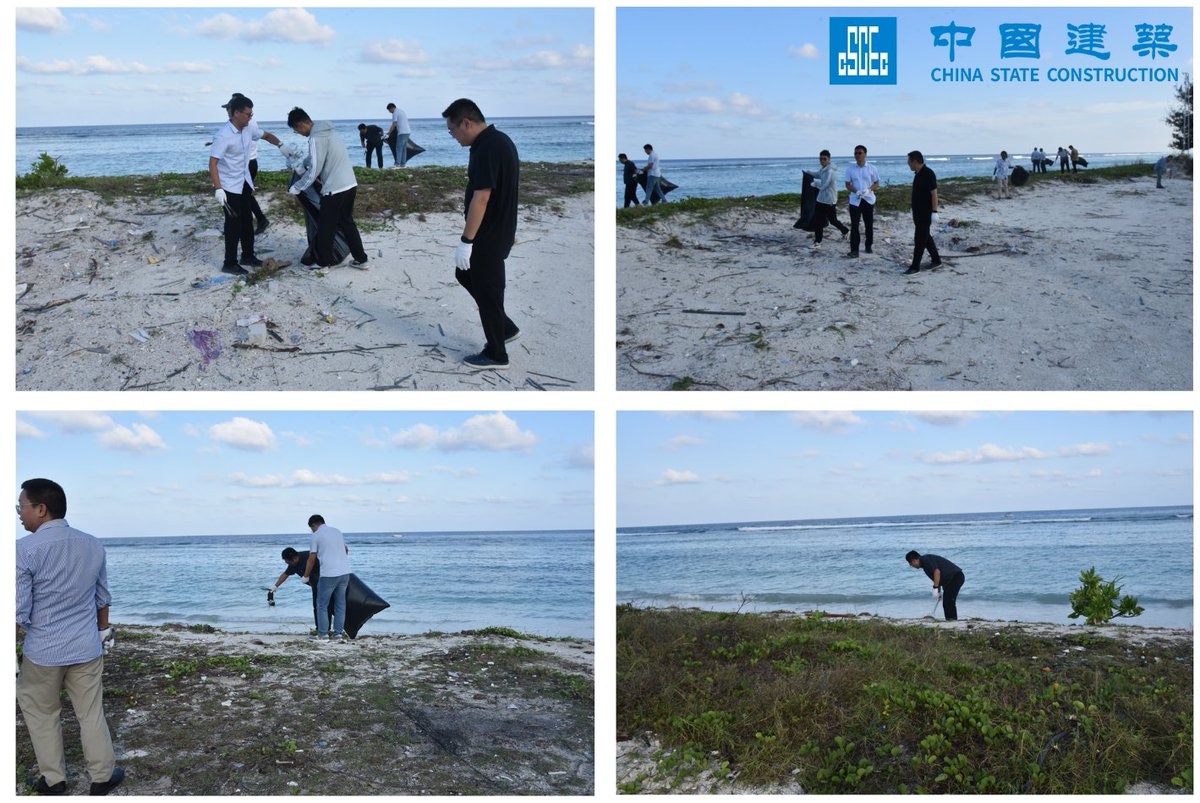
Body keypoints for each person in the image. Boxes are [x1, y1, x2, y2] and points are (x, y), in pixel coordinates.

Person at [16, 478, 125, 796]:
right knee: (91, 712)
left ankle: (54, 780)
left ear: (41, 509)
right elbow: (102, 598)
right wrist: (104, 632)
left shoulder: (23, 550)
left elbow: (17, 611)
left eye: (20, 507)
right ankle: (102, 777)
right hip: (86, 647)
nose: (18, 514)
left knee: (41, 713)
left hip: (43, 652)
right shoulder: (93, 544)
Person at [444, 97, 521, 370]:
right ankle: (505, 327)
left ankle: (496, 353)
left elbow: (482, 198)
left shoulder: (487, 147)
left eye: (452, 130)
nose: (452, 136)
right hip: (499, 229)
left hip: (488, 234)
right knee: (464, 273)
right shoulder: (498, 140)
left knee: (489, 293)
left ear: (466, 122)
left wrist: (467, 241)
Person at [209, 95, 290, 275]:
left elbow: (266, 135)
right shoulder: (223, 136)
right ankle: (229, 263)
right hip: (229, 186)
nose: (250, 117)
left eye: (251, 114)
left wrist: (281, 146)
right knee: (233, 224)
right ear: (236, 113)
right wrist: (218, 188)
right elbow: (213, 163)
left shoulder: (248, 128)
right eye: (247, 114)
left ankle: (247, 256)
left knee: (247, 221)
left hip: (244, 181)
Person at [286, 107, 369, 269]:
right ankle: (361, 260)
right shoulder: (329, 132)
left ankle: (323, 263)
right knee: (347, 222)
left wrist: (297, 187)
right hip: (350, 184)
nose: (299, 133)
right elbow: (315, 157)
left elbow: (315, 170)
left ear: (300, 124)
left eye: (296, 130)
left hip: (334, 188)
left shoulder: (316, 138)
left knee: (326, 226)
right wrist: (303, 164)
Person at [222, 94, 269, 234]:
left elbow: (260, 136)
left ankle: (257, 220)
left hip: (248, 163)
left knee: (244, 195)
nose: (227, 111)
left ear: (237, 110)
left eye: (229, 108)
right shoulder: (234, 125)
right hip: (245, 163)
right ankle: (248, 221)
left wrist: (280, 144)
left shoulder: (248, 123)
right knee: (244, 195)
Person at [301, 515, 351, 640]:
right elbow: (345, 549)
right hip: (345, 573)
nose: (312, 531)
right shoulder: (337, 531)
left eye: (311, 528)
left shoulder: (316, 536)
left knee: (322, 605)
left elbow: (311, 559)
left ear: (313, 525)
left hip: (328, 574)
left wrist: (306, 576)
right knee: (340, 604)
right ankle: (338, 634)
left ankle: (323, 635)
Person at [904, 150, 942, 276]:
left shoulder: (928, 173)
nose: (908, 164)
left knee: (920, 239)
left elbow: (934, 193)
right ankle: (936, 260)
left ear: (915, 161)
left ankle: (915, 267)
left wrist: (934, 211)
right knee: (926, 237)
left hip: (925, 213)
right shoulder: (918, 174)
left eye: (909, 161)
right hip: (917, 212)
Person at [272, 547, 322, 631]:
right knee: (316, 607)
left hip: (324, 582)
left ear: (294, 558)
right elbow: (285, 574)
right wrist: (275, 586)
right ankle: (320, 629)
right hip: (315, 586)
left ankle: (324, 629)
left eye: (287, 561)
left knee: (322, 606)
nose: (286, 563)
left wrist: (306, 576)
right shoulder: (293, 564)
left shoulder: (308, 557)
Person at [905, 550, 965, 621]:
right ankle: (949, 620)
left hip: (956, 577)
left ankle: (952, 620)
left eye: (910, 564)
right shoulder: (925, 566)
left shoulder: (926, 559)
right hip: (949, 581)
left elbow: (937, 572)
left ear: (913, 560)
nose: (912, 566)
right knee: (946, 602)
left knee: (949, 601)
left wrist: (935, 588)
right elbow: (937, 578)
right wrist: (938, 592)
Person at [843, 144, 880, 257]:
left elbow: (876, 183)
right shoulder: (850, 169)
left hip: (868, 199)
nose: (857, 155)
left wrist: (868, 190)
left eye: (860, 153)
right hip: (855, 200)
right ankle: (854, 250)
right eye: (855, 153)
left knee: (868, 224)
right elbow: (847, 185)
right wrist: (856, 191)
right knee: (854, 225)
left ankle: (868, 246)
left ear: (865, 154)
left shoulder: (872, 168)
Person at [810, 149, 849, 247]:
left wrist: (815, 184)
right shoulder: (823, 169)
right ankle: (817, 242)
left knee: (833, 221)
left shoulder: (830, 171)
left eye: (824, 159)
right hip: (820, 199)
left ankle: (845, 231)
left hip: (830, 200)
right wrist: (808, 172)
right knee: (818, 221)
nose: (822, 161)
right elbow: (817, 174)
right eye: (821, 159)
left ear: (829, 159)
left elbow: (824, 185)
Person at [385, 102, 411, 167]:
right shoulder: (401, 111)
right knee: (403, 148)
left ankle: (397, 164)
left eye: (389, 110)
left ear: (392, 108)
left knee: (398, 148)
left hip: (402, 132)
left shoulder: (395, 113)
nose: (389, 112)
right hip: (407, 131)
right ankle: (403, 164)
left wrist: (388, 133)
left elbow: (394, 124)